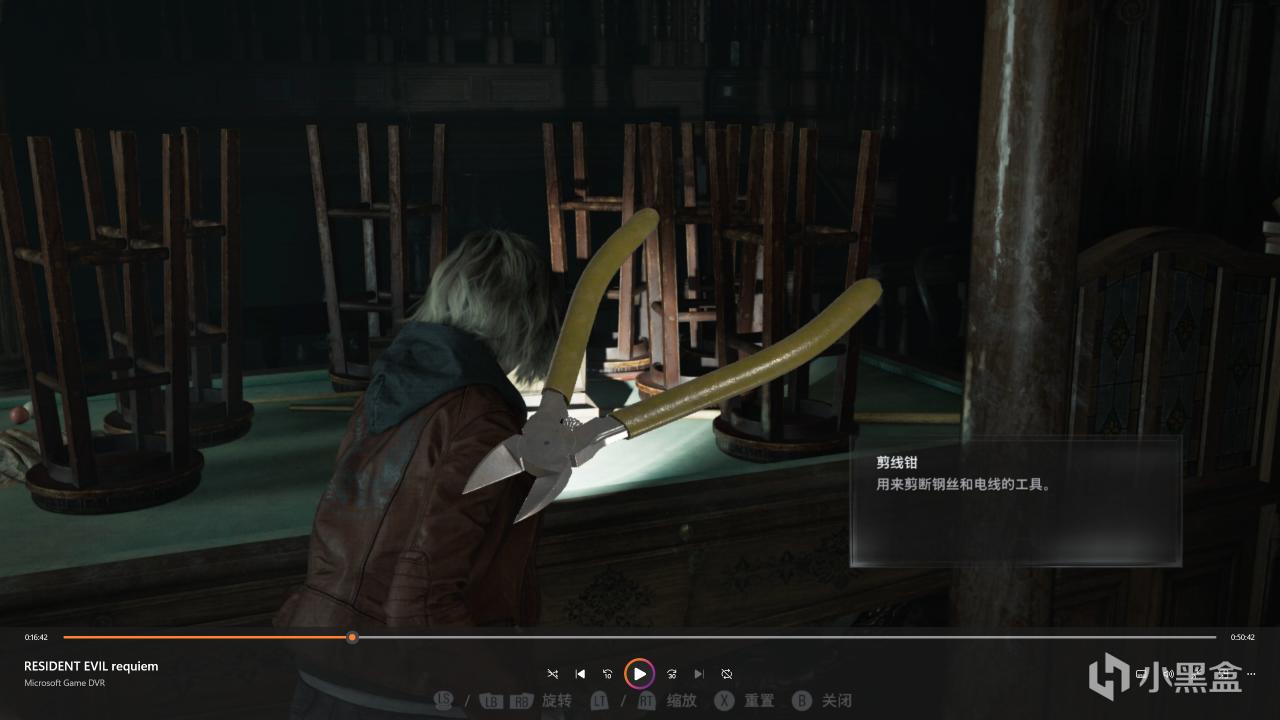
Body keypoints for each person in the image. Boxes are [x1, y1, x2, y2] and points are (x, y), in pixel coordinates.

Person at [275, 229, 561, 718]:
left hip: (327, 659)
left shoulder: (395, 385)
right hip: (395, 685)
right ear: (526, 316)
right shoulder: (480, 416)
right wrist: (509, 700)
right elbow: (420, 602)